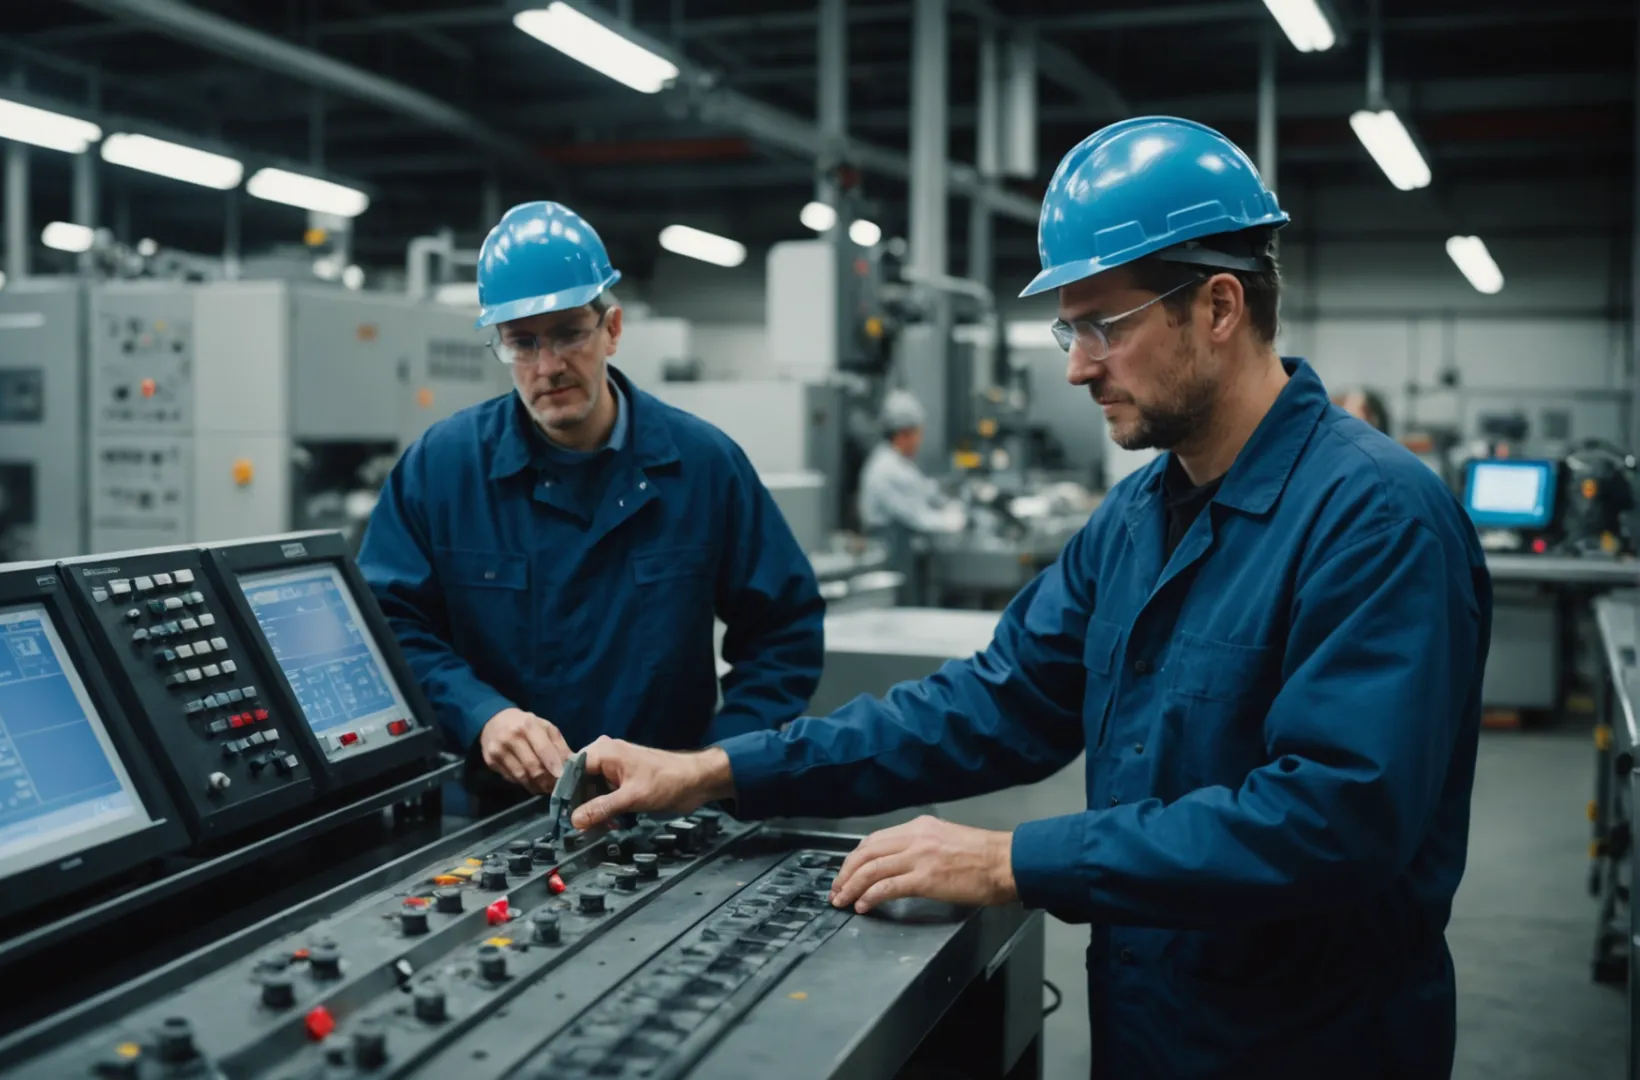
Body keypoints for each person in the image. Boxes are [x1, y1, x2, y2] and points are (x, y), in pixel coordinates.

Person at [563, 117, 1491, 1078]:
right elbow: (988, 705)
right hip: (1149, 1027)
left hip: (1311, 1046)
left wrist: (1015, 862)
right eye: (1070, 327)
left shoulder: (1375, 519)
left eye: (1105, 324)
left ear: (1219, 306)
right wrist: (717, 769)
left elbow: (1333, 822)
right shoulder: (1135, 520)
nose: (1078, 365)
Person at [359, 200, 825, 800]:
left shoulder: (703, 468)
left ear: (613, 329)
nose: (548, 366)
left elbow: (783, 630)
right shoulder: (443, 469)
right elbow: (389, 625)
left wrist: (716, 763)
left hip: (665, 819)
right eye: (521, 343)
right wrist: (480, 714)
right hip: (489, 814)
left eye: (568, 334)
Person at [857, 390, 967, 604]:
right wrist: (952, 521)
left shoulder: (895, 462)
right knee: (903, 608)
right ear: (903, 434)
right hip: (892, 550)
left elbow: (923, 489)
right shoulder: (887, 469)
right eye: (918, 434)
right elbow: (917, 516)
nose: (919, 441)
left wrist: (945, 497)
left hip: (899, 546)